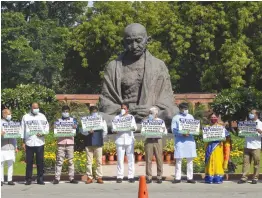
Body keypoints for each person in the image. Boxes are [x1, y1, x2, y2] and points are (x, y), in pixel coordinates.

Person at [99, 23, 178, 128]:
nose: (134, 46)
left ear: (147, 40)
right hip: (122, 114)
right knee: (98, 118)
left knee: (173, 113)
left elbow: (167, 99)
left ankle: (137, 125)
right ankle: (141, 126)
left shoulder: (158, 65)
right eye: (129, 42)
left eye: (138, 41)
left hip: (150, 114)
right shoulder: (113, 67)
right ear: (123, 43)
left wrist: (152, 110)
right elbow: (106, 102)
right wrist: (126, 110)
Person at [21, 102, 49, 185]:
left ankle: (40, 179)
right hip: (29, 142)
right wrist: (22, 142)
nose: (36, 109)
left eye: (37, 107)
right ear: (31, 108)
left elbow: (46, 127)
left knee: (40, 162)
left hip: (40, 142)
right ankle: (28, 179)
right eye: (34, 107)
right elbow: (22, 129)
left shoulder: (42, 116)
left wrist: (43, 133)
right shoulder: (25, 117)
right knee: (29, 162)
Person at [171, 102, 197, 184]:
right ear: (180, 109)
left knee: (190, 160)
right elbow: (173, 129)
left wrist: (191, 132)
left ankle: (190, 177)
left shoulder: (191, 117)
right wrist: (182, 133)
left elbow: (194, 128)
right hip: (180, 141)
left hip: (190, 140)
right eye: (184, 109)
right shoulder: (176, 118)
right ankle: (178, 177)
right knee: (179, 160)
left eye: (187, 108)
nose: (186, 110)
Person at [112, 103, 137, 183]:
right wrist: (115, 130)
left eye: (125, 108)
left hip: (129, 140)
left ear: (128, 109)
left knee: (131, 159)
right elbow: (113, 129)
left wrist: (130, 127)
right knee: (120, 159)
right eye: (122, 108)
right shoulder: (116, 118)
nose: (123, 110)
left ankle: (131, 176)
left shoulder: (131, 117)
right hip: (120, 140)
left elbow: (135, 128)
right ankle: (119, 176)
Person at [53, 106, 78, 184]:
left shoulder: (73, 120)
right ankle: (57, 178)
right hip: (61, 142)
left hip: (70, 142)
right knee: (59, 161)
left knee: (71, 161)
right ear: (62, 112)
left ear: (69, 112)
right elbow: (55, 130)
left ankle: (71, 178)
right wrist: (55, 127)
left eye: (67, 111)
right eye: (64, 111)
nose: (65, 113)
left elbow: (76, 129)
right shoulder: (58, 121)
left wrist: (75, 127)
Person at [82, 106, 108, 184]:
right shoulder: (86, 120)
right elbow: (82, 131)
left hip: (98, 142)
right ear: (90, 112)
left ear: (97, 111)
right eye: (93, 111)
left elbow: (105, 131)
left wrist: (100, 137)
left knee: (99, 161)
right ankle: (89, 177)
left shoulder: (101, 120)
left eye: (95, 111)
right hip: (88, 142)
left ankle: (99, 177)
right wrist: (87, 132)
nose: (94, 112)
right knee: (88, 161)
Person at [204, 113, 231, 184]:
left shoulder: (221, 127)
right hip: (209, 147)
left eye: (214, 117)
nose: (213, 118)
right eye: (212, 117)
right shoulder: (207, 127)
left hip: (218, 147)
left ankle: (217, 178)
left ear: (217, 118)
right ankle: (209, 178)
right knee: (210, 162)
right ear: (210, 118)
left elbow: (228, 137)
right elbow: (205, 138)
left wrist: (223, 137)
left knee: (218, 162)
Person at [238, 109, 262, 184]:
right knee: (245, 163)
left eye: (252, 113)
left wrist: (259, 131)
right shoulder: (247, 123)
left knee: (256, 163)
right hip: (247, 145)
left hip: (256, 146)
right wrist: (240, 130)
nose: (250, 114)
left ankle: (255, 178)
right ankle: (244, 177)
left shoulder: (260, 123)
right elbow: (241, 133)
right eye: (250, 113)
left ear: (256, 115)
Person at [144, 107, 167, 184]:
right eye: (149, 113)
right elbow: (142, 132)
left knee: (159, 159)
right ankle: (149, 177)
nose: (150, 114)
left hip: (158, 141)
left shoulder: (161, 122)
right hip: (149, 141)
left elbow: (165, 132)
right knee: (148, 160)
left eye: (151, 113)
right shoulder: (146, 121)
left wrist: (161, 131)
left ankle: (159, 176)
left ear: (156, 114)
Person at [1, 109, 19, 186]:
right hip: (2, 147)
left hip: (11, 147)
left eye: (10, 114)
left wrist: (16, 146)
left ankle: (10, 180)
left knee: (10, 164)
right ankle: (1, 180)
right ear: (3, 115)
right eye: (8, 114)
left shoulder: (13, 123)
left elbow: (15, 136)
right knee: (1, 164)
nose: (9, 115)